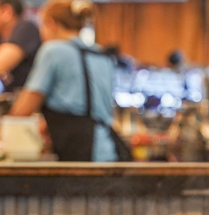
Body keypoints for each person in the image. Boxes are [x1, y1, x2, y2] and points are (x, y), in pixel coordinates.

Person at [9, 0, 127, 161]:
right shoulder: (101, 55)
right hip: (109, 148)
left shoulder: (53, 51)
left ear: (50, 23)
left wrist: (5, 126)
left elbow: (24, 109)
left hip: (81, 151)